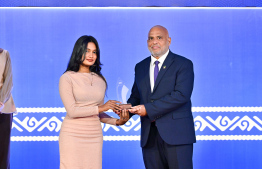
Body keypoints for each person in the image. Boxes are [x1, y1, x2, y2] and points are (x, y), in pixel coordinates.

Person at [127, 25, 196, 169]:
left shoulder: (183, 64)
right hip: (149, 136)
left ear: (169, 40)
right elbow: (136, 96)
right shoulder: (140, 67)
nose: (154, 42)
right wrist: (126, 110)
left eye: (159, 37)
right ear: (147, 42)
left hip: (177, 136)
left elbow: (181, 95)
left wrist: (148, 109)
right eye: (151, 38)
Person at [58, 35, 129, 169]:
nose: (91, 55)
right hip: (72, 135)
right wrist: (102, 107)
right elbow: (72, 111)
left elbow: (99, 114)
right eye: (87, 51)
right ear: (78, 52)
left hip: (95, 136)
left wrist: (118, 122)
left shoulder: (100, 80)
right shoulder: (67, 78)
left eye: (94, 52)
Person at [0, 48, 17, 169]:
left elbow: (8, 80)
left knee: (3, 153)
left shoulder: (4, 54)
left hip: (3, 107)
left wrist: (1, 101)